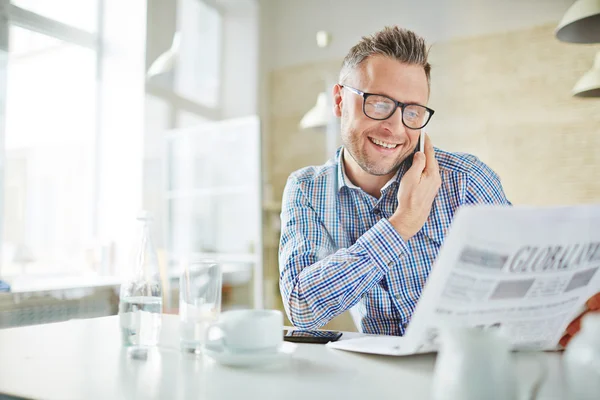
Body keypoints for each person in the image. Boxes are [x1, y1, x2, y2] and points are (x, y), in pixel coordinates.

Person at [278, 25, 599, 342]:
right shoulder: (307, 190)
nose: (396, 127)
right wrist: (402, 224)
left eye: (413, 111)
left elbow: (525, 282)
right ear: (339, 101)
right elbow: (304, 309)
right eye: (378, 103)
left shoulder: (465, 180)